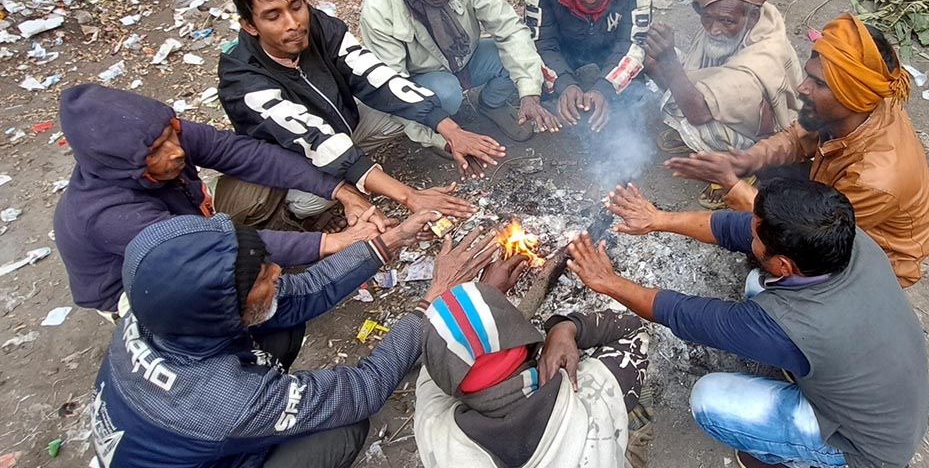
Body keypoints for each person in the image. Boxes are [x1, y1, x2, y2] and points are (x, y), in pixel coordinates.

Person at [89, 212, 503, 468]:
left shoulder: (159, 311)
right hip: (204, 429)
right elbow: (363, 389)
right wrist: (433, 300)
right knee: (342, 428)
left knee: (282, 317)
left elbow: (303, 290)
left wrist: (386, 243)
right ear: (221, 309)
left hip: (181, 437)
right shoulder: (225, 401)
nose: (279, 271)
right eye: (262, 277)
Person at [568, 180, 929, 468]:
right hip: (889, 391)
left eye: (757, 237)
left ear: (786, 265)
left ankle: (796, 460)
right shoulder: (844, 238)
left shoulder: (786, 324)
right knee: (758, 282)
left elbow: (684, 314)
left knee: (709, 399)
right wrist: (657, 219)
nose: (748, 236)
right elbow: (735, 227)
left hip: (865, 448)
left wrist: (609, 283)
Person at [219, 0, 505, 224]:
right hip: (300, 155)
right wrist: (410, 196)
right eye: (273, 16)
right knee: (309, 202)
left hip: (347, 124)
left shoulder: (317, 25)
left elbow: (373, 74)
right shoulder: (242, 79)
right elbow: (316, 140)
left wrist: (450, 130)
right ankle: (321, 202)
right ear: (249, 25)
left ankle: (364, 164)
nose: (293, 24)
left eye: (296, 6)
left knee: (423, 101)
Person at [54, 84, 383, 316]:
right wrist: (335, 243)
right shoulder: (107, 214)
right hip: (140, 287)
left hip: (193, 224)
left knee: (263, 169)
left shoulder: (162, 135)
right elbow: (210, 246)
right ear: (124, 164)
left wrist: (343, 191)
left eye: (172, 135)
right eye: (157, 151)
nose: (177, 150)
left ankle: (284, 241)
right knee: (245, 310)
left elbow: (243, 153)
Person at [666, 14, 929, 287]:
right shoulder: (854, 112)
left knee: (774, 257)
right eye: (809, 75)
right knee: (769, 174)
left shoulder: (875, 179)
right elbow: (796, 138)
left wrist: (739, 192)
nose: (801, 87)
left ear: (850, 96)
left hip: (874, 259)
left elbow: (817, 234)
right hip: (832, 196)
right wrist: (744, 162)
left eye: (818, 84)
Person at [360, 0, 560, 140]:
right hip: (426, 78)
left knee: (518, 57)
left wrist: (530, 94)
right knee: (447, 92)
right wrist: (443, 142)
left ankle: (492, 104)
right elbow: (394, 86)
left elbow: (509, 29)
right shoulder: (379, 8)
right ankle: (442, 133)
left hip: (468, 58)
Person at [414, 281, 651, 467]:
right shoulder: (591, 394)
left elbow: (432, 373)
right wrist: (565, 328)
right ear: (528, 342)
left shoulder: (437, 435)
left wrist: (466, 325)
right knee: (639, 401)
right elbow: (634, 331)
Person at [646, 0, 802, 158]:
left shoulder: (760, 61)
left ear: (752, 17)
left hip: (762, 134)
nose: (713, 30)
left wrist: (666, 61)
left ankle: (742, 163)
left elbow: (698, 113)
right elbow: (699, 65)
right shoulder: (734, 17)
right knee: (660, 61)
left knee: (696, 122)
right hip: (728, 89)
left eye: (726, 21)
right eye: (707, 18)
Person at [523, 0, 654, 132]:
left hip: (610, 46)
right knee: (537, 77)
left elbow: (632, 43)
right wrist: (564, 83)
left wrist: (605, 88)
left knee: (635, 87)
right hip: (565, 48)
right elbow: (539, 42)